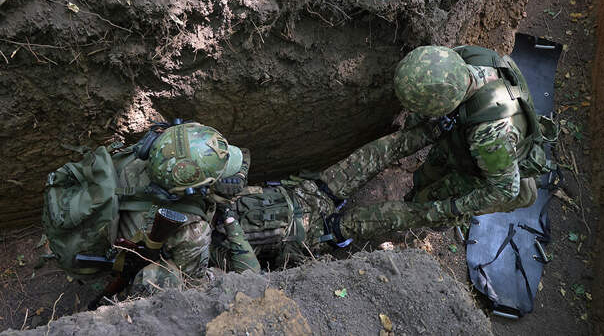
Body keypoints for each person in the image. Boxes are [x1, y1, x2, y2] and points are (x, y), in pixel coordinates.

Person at [217, 45, 557, 265]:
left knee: (423, 209)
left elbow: (504, 191)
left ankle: (347, 228)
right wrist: (430, 130)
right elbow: (413, 130)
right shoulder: (459, 61)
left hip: (489, 175)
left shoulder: (490, 135)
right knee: (412, 169)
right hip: (461, 137)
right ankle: (327, 196)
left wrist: (444, 210)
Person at [114, 121, 260, 292]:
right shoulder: (194, 231)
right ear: (191, 188)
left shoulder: (160, 154)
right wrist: (217, 275)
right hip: (132, 261)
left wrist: (236, 176)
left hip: (121, 222)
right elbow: (194, 283)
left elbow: (241, 153)